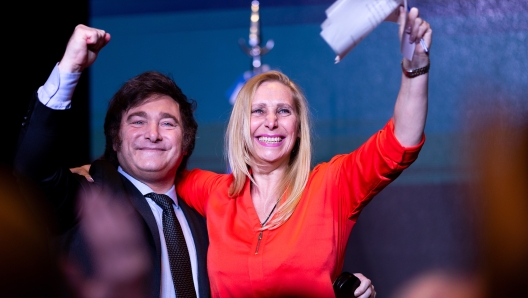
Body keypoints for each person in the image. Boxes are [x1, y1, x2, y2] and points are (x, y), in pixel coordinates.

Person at [174, 6, 429, 297]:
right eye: (258, 111)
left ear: (297, 128)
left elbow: (400, 142)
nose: (271, 122)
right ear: (241, 126)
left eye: (283, 111)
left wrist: (416, 66)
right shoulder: (214, 192)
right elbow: (153, 167)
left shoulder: (331, 185)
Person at [13, 25, 210, 298]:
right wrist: (70, 68)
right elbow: (32, 166)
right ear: (115, 140)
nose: (152, 135)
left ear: (186, 142)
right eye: (138, 121)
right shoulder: (91, 199)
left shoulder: (207, 216)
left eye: (167, 123)